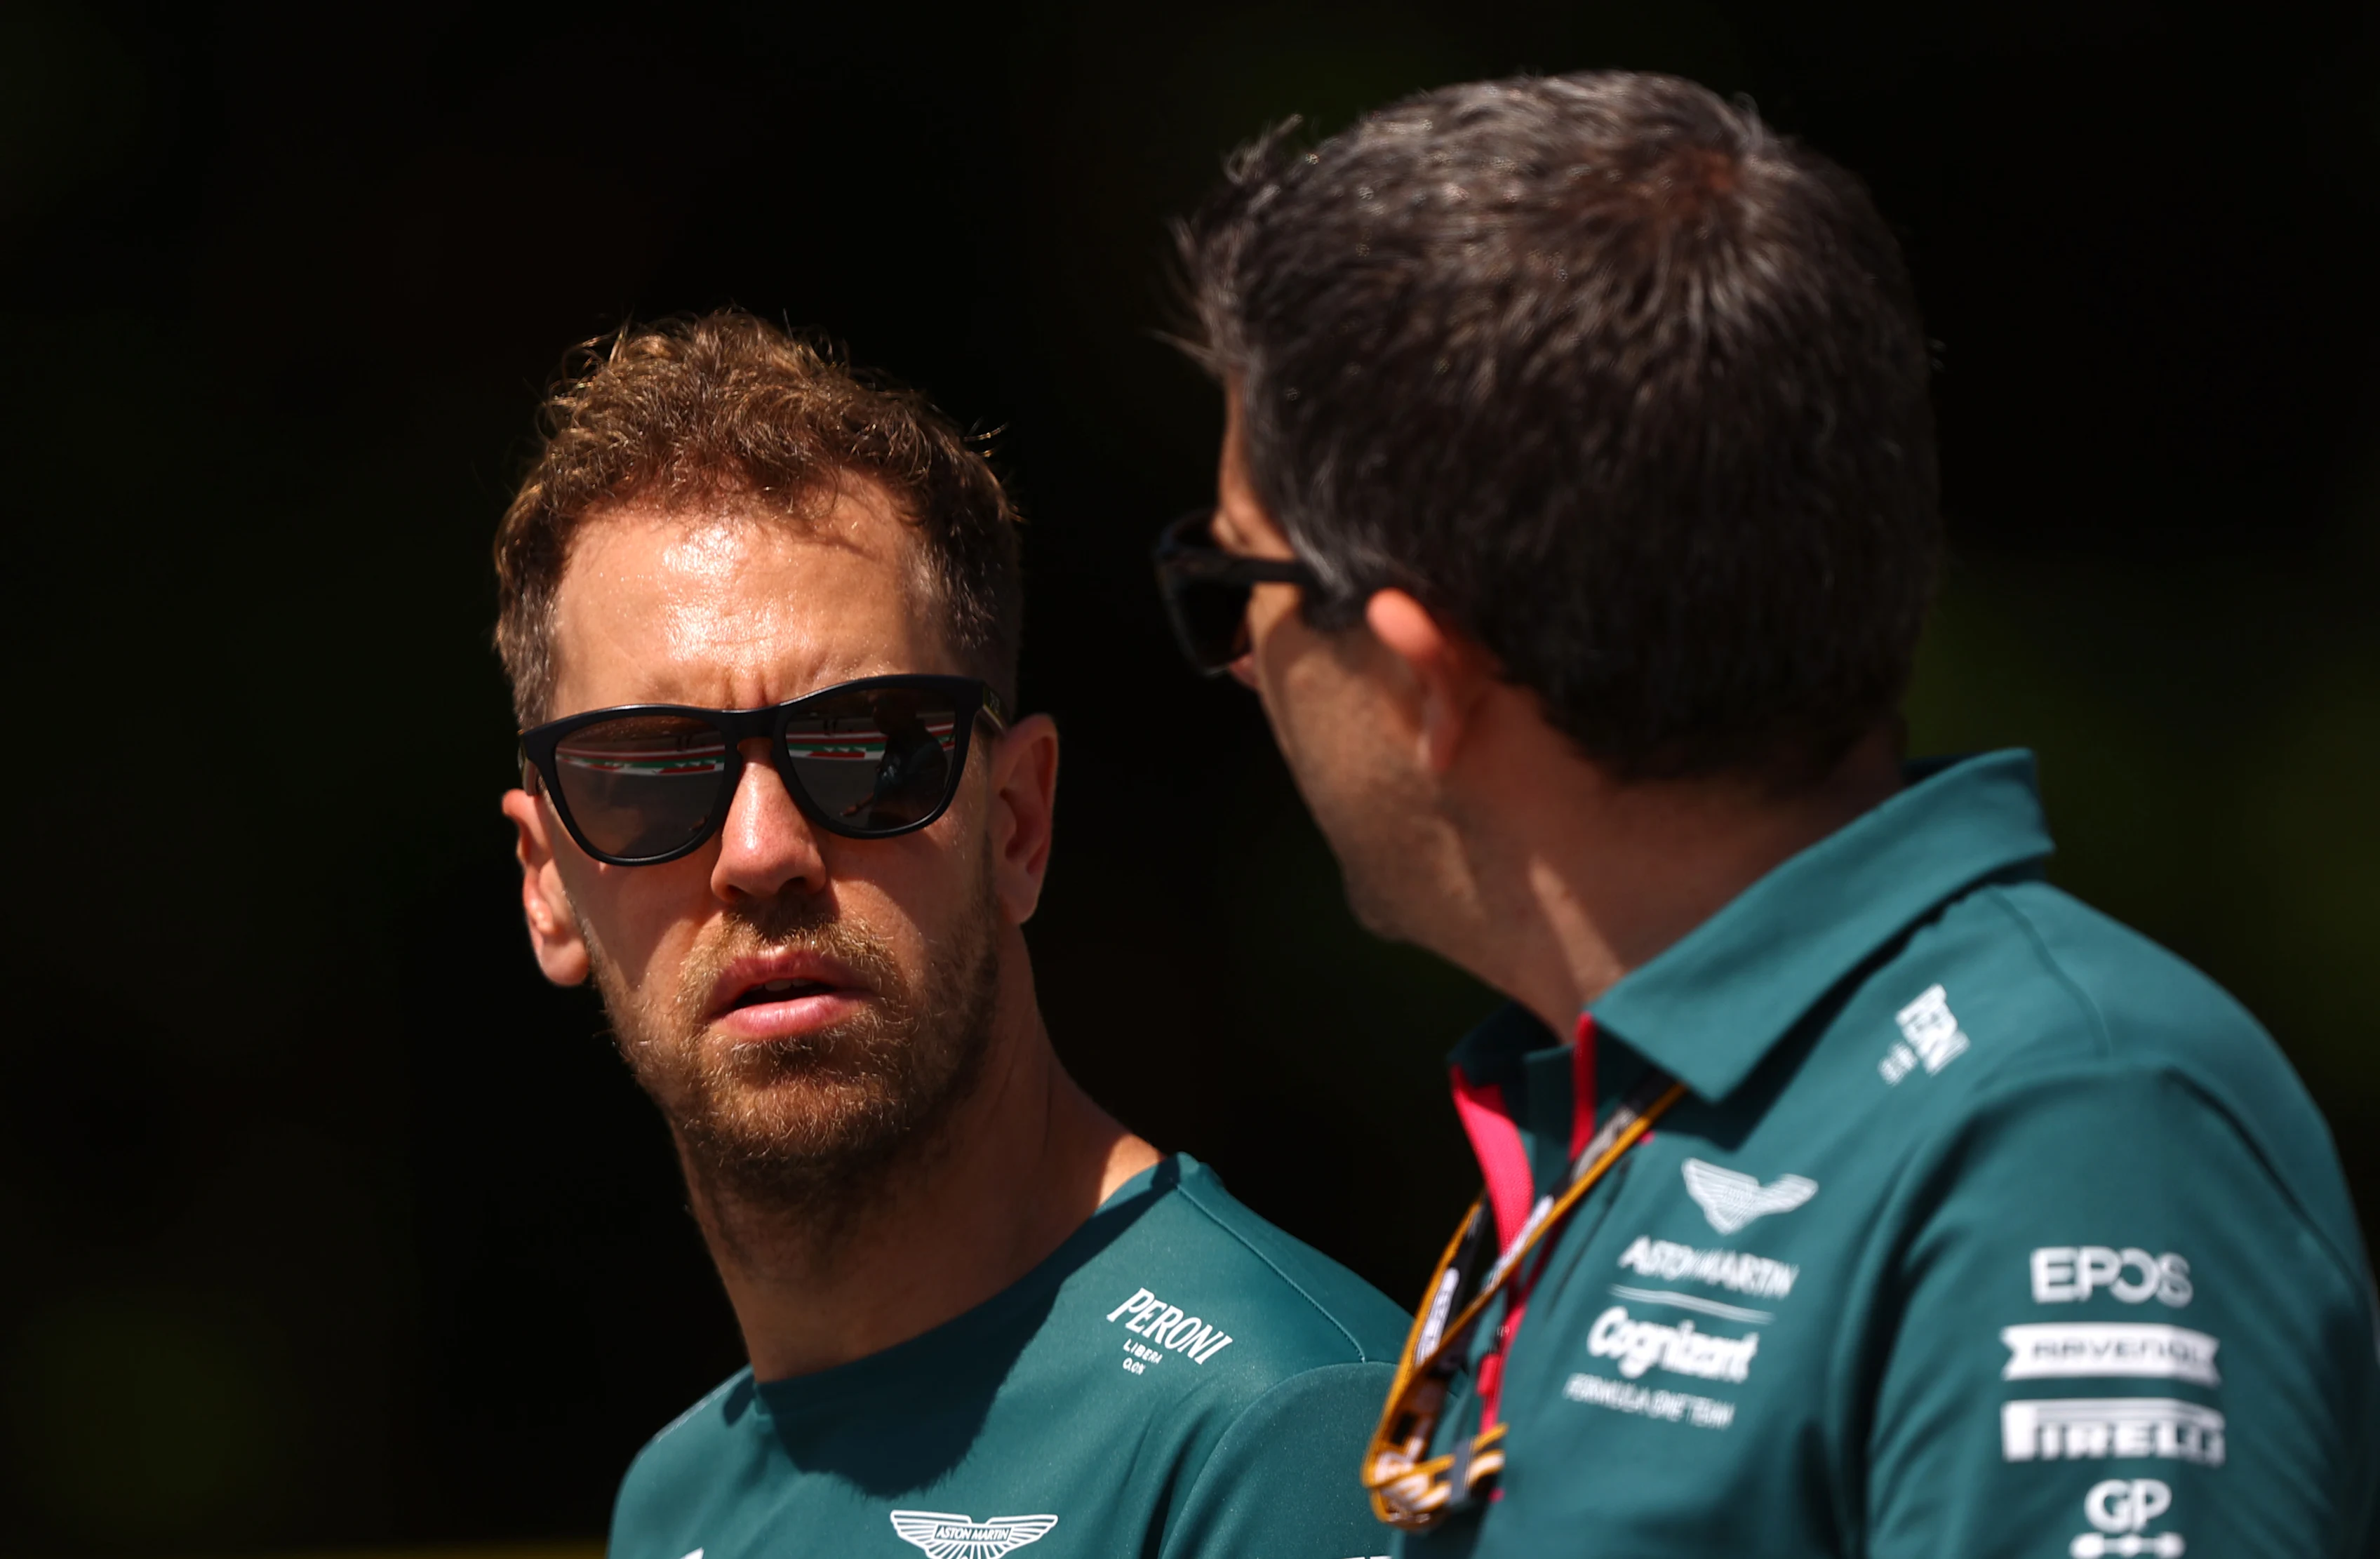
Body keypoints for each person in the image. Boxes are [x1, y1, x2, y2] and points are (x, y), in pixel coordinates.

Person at [1157, 71, 2380, 1558]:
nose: (1232, 664)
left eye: (1235, 589)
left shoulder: (2065, 1134)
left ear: (1426, 679)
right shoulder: (1635, 1119)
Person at [495, 311, 1408, 1559]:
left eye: (869, 752)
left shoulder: (1284, 1431)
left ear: (1020, 823)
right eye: (647, 777)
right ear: (547, 882)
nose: (762, 851)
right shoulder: (676, 1499)